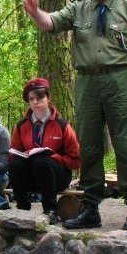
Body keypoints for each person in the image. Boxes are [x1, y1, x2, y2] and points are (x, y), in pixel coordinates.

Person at [23, 0, 127, 230]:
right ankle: (91, 208)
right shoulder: (79, 9)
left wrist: (126, 78)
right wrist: (35, 12)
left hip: (120, 81)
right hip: (87, 83)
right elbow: (51, 22)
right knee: (89, 147)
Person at [8, 78, 80, 224]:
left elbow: (76, 160)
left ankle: (50, 210)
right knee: (16, 165)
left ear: (48, 98)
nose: (35, 102)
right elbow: (12, 154)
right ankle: (22, 208)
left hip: (56, 177)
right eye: (31, 99)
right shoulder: (21, 125)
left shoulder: (62, 125)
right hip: (32, 177)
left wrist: (55, 157)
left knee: (42, 161)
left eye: (39, 97)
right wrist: (22, 156)